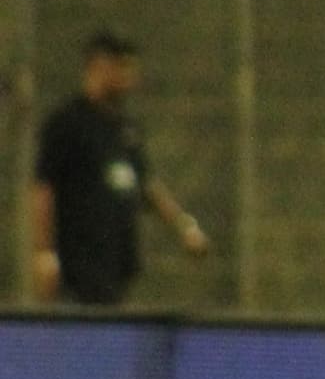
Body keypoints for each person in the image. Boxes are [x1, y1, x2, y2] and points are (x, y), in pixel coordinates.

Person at [27, 30, 214, 309]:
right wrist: (44, 253)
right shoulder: (66, 124)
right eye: (123, 68)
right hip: (76, 267)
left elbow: (147, 184)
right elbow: (43, 189)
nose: (131, 78)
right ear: (101, 67)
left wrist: (183, 226)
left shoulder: (125, 128)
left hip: (115, 265)